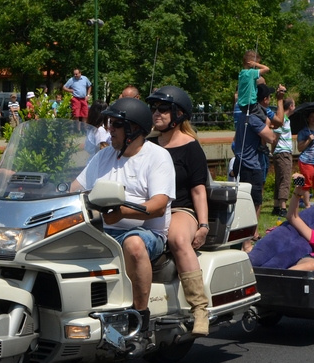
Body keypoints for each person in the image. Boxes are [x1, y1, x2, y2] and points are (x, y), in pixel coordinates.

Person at [71, 97, 175, 327]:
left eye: (116, 124)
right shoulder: (104, 155)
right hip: (103, 229)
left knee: (134, 245)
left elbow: (158, 205)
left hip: (147, 232)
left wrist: (122, 213)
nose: (109, 129)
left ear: (134, 129)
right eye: (108, 123)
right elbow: (75, 189)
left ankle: (139, 319)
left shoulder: (157, 157)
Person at [147, 86, 211, 336]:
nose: (156, 113)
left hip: (180, 209)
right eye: (153, 108)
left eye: (163, 109)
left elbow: (198, 190)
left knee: (177, 239)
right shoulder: (148, 145)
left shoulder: (191, 147)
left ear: (179, 114)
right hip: (147, 209)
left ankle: (199, 309)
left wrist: (203, 225)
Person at [232, 85, 279, 235]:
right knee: (255, 202)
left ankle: (252, 232)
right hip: (251, 165)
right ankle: (251, 234)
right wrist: (270, 127)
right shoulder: (254, 119)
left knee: (247, 200)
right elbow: (271, 138)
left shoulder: (243, 116)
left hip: (242, 162)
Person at [270, 98, 294, 217]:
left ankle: (276, 205)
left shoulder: (285, 119)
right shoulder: (283, 119)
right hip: (283, 152)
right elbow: (275, 136)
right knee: (285, 179)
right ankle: (283, 207)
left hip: (282, 152)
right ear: (290, 106)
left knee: (279, 180)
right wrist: (273, 149)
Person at [236, 49, 270, 123]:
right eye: (256, 64)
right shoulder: (251, 73)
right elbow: (267, 69)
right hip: (251, 104)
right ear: (250, 63)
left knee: (262, 112)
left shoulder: (241, 73)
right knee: (267, 121)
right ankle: (265, 133)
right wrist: (256, 64)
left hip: (242, 104)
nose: (257, 67)